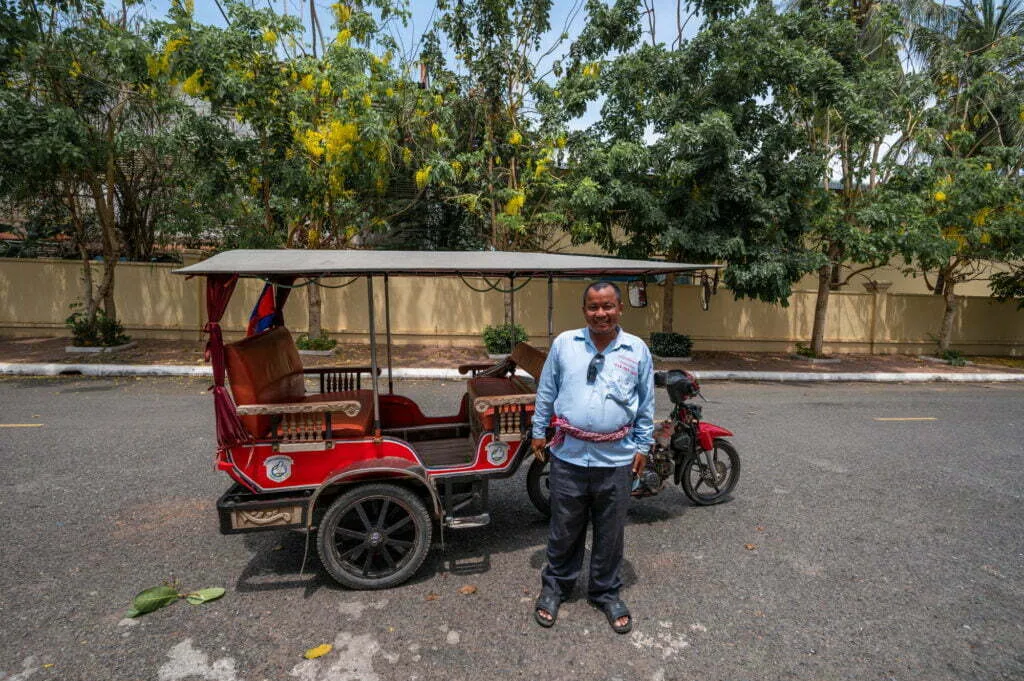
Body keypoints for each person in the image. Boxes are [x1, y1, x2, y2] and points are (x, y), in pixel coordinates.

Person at [530, 281, 654, 634]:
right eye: (593, 307)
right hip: (568, 454)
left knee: (610, 532)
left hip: (615, 459)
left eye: (608, 306)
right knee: (564, 527)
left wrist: (643, 447)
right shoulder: (565, 345)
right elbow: (547, 390)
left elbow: (645, 404)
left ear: (620, 309)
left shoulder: (637, 350)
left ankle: (606, 592)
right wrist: (539, 430)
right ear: (584, 310)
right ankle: (555, 587)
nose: (601, 313)